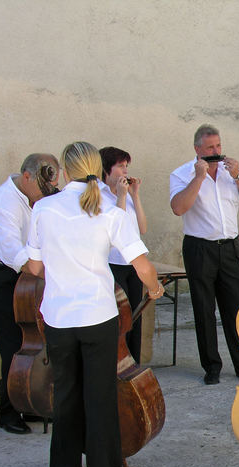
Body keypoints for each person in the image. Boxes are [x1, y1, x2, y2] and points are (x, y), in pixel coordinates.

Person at [25, 141, 163, 467]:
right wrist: (155, 288)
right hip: (98, 316)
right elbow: (141, 264)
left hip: (58, 317)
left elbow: (35, 267)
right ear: (95, 169)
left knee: (66, 392)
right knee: (100, 396)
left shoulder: (43, 208)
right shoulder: (111, 212)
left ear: (65, 170)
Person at [0, 153, 60, 434]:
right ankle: (7, 412)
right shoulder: (2, 204)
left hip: (28, 273)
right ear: (27, 177)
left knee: (37, 340)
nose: (46, 196)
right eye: (43, 189)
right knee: (14, 344)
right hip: (0, 274)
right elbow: (19, 257)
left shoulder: (35, 195)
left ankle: (30, 403)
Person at [170, 124, 239, 384]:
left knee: (235, 309)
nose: (216, 151)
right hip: (200, 248)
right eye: (210, 148)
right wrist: (199, 178)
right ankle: (212, 367)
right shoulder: (182, 174)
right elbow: (178, 208)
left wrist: (238, 174)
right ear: (197, 149)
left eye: (218, 146)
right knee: (204, 310)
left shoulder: (231, 172)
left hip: (229, 247)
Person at [99, 146, 147, 363]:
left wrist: (134, 196)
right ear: (106, 170)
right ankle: (120, 362)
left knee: (135, 316)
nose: (125, 171)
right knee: (121, 317)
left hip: (132, 264)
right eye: (120, 166)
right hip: (113, 262)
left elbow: (142, 228)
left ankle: (134, 361)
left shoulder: (126, 194)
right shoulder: (99, 196)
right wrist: (120, 196)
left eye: (127, 166)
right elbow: (114, 231)